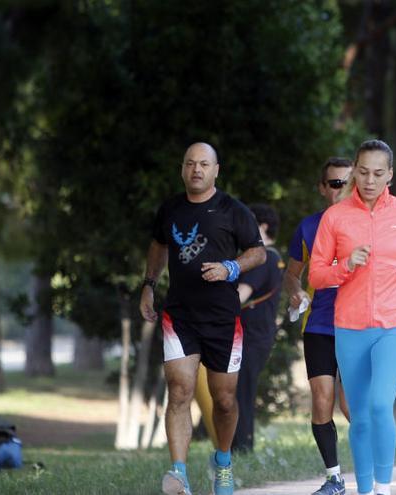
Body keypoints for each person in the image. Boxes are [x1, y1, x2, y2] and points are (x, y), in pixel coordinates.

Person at [308, 139, 396, 495]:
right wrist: (345, 265)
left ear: (390, 175)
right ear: (354, 170)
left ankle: (384, 488)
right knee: (359, 416)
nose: (369, 180)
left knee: (379, 403)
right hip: (349, 326)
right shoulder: (335, 217)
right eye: (363, 172)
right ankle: (365, 490)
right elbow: (317, 275)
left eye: (377, 173)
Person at [140, 142, 267, 495]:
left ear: (215, 170)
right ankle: (178, 472)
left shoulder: (232, 209)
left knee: (224, 400)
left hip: (223, 318)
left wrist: (232, 267)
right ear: (182, 169)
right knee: (179, 390)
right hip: (180, 316)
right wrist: (149, 285)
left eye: (204, 164)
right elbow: (158, 245)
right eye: (190, 164)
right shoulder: (170, 209)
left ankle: (222, 462)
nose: (196, 169)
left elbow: (258, 252)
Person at [283, 157, 354, 495]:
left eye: (348, 182)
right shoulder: (308, 227)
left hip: (359, 325)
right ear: (323, 189)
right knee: (322, 400)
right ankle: (334, 478)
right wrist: (295, 293)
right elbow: (291, 274)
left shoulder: (368, 224)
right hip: (320, 325)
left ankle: (373, 476)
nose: (342, 189)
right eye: (335, 183)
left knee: (351, 406)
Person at [232, 204, 284, 453]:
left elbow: (240, 296)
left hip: (251, 337)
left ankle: (242, 447)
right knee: (241, 391)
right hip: (258, 336)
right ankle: (240, 445)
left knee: (241, 393)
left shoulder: (264, 257)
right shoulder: (275, 257)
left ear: (262, 226)